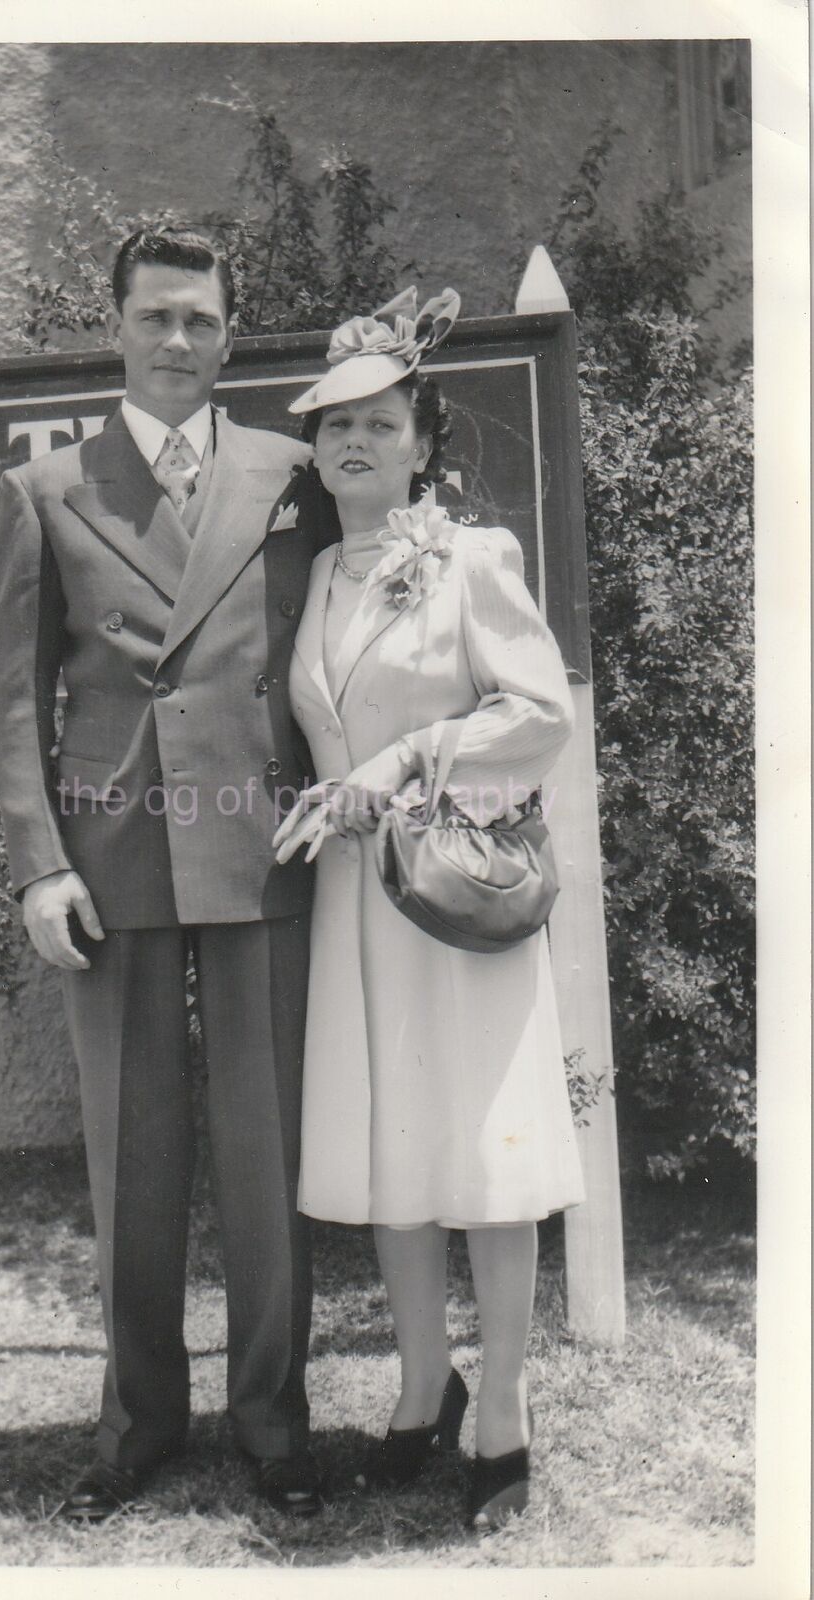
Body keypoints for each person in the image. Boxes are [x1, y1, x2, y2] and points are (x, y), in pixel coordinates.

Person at [0, 226, 328, 1520]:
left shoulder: (290, 476)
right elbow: (12, 701)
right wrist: (36, 868)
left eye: (199, 319)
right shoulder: (46, 488)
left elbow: (336, 637)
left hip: (258, 845)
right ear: (116, 328)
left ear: (231, 334)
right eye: (154, 317)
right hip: (112, 855)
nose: (176, 340)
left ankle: (272, 1418)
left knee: (265, 1150)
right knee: (131, 1155)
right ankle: (137, 1425)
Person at [273, 288, 586, 1532]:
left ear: (422, 439)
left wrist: (400, 765)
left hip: (456, 904)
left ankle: (502, 1411)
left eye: (379, 423)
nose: (355, 443)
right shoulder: (310, 577)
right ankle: (421, 1391)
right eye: (334, 426)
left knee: (486, 1159)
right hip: (354, 908)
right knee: (394, 1150)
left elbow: (540, 713)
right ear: (315, 449)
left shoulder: (471, 559)